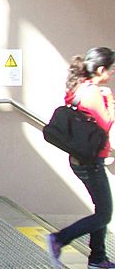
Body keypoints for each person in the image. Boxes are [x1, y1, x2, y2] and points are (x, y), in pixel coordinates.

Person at [46, 47, 115, 269]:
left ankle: (97, 259)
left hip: (82, 159)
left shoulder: (80, 86)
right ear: (102, 69)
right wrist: (110, 100)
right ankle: (59, 239)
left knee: (100, 210)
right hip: (90, 163)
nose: (112, 74)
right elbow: (106, 124)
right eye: (111, 70)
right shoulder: (93, 92)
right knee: (104, 214)